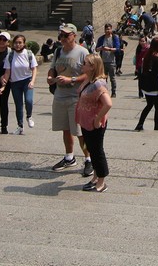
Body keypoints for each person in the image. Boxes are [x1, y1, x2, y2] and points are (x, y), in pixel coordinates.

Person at [48, 23, 93, 177]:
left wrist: (71, 79)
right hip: (60, 95)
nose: (63, 38)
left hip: (76, 97)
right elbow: (52, 68)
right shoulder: (58, 51)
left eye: (66, 35)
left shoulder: (82, 52)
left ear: (74, 35)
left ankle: (88, 159)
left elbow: (89, 73)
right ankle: (69, 157)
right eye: (61, 35)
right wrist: (50, 77)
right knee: (65, 128)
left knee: (79, 131)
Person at [76, 53, 113, 192]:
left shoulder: (98, 83)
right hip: (86, 121)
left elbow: (108, 104)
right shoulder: (88, 79)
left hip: (94, 124)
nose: (82, 65)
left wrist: (97, 119)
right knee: (91, 149)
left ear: (92, 67)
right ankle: (95, 177)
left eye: (85, 63)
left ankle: (101, 182)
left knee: (97, 151)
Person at [1, 33, 37, 134]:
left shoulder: (29, 54)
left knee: (29, 100)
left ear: (24, 43)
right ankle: (20, 126)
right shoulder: (10, 55)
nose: (18, 45)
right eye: (16, 43)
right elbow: (7, 72)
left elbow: (34, 68)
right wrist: (3, 85)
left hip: (27, 81)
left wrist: (32, 81)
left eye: (20, 43)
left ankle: (29, 116)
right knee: (18, 105)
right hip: (15, 83)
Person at [134, 37, 158, 131]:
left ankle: (140, 124)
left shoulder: (147, 56)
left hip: (147, 87)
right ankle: (157, 126)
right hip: (155, 87)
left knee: (149, 105)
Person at [94, 24, 122, 98]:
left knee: (112, 78)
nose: (108, 31)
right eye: (106, 29)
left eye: (109, 29)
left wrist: (109, 49)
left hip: (111, 61)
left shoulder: (114, 38)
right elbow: (96, 49)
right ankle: (104, 92)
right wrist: (101, 48)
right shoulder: (101, 38)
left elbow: (118, 48)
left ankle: (113, 92)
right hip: (103, 61)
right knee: (103, 78)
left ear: (111, 29)